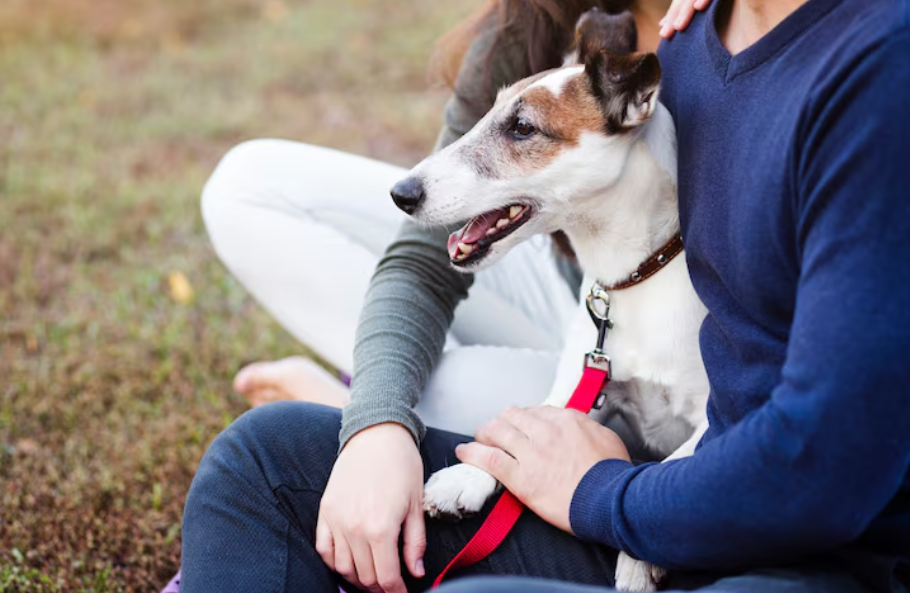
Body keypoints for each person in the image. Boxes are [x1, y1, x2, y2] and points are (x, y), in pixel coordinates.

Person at [176, 0, 910, 591]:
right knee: (259, 459)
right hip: (603, 352)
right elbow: (427, 256)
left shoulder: (860, 69)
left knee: (459, 399)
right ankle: (358, 405)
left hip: (760, 520)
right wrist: (376, 420)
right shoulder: (664, 36)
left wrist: (608, 495)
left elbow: (820, 453)